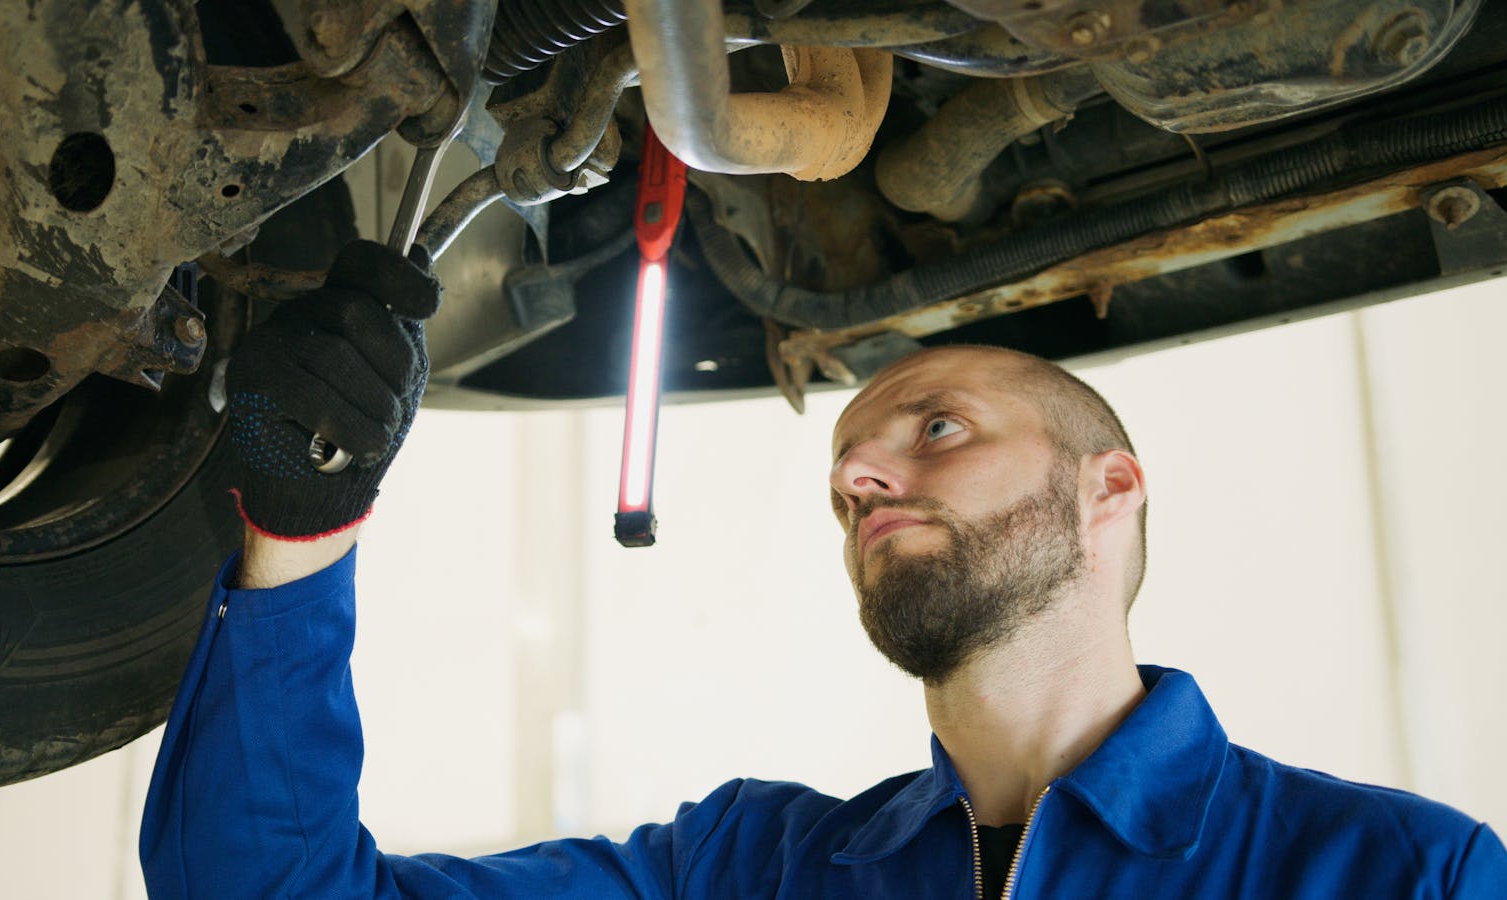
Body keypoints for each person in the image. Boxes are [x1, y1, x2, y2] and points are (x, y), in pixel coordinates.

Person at [140, 240, 1507, 899]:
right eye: (851, 459)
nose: (863, 475)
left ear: (1112, 492)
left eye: (937, 430)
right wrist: (299, 541)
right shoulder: (752, 870)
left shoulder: (1394, 873)